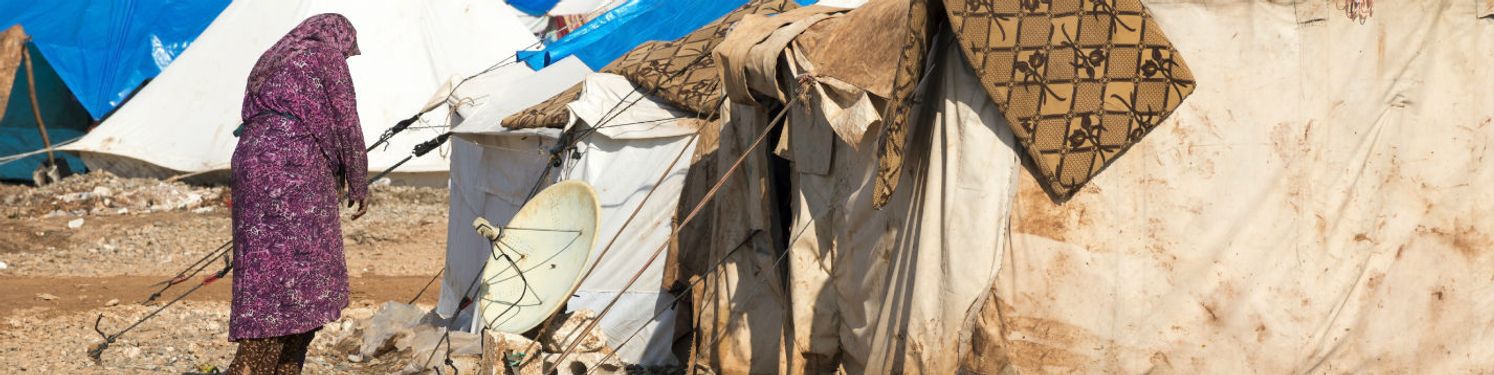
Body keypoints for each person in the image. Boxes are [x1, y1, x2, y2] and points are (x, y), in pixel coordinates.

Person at [227, 13, 368, 374]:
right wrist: (358, 180)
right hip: (295, 166)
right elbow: (346, 119)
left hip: (250, 160)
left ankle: (279, 361)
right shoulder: (326, 56)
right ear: (339, 39)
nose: (345, 57)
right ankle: (256, 363)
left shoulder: (273, 57)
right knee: (300, 269)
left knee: (264, 265)